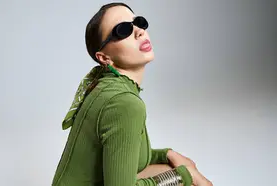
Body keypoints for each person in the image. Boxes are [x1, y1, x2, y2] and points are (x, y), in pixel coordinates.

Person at [51, 3, 213, 186]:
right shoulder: (123, 103)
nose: (139, 32)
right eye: (123, 30)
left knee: (174, 167)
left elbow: (128, 155)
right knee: (186, 179)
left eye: (139, 23)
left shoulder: (107, 86)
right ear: (104, 58)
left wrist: (167, 154)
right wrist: (182, 176)